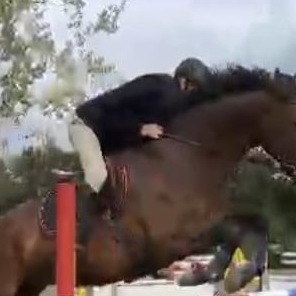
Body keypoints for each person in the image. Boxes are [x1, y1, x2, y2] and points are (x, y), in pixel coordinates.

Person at [67, 57, 212, 213]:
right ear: (184, 82)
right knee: (98, 178)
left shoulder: (169, 105)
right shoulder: (159, 86)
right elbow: (109, 113)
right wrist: (140, 129)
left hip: (107, 137)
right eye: (195, 89)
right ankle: (75, 226)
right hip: (87, 125)